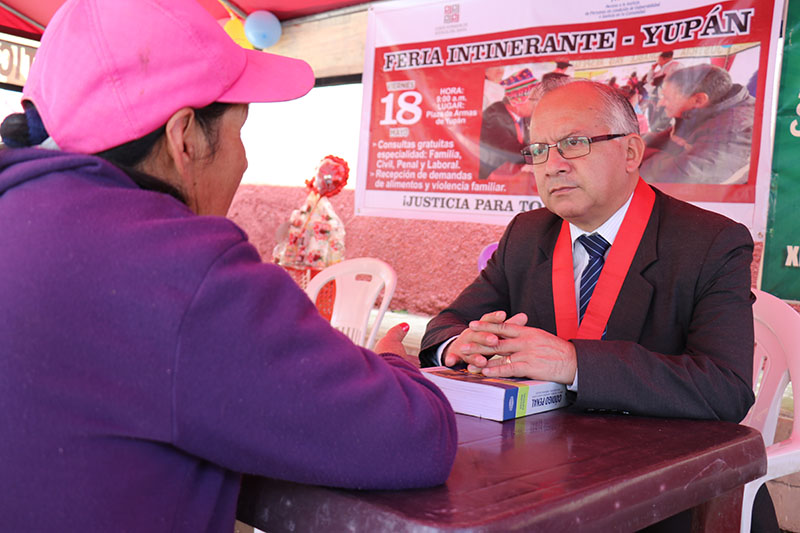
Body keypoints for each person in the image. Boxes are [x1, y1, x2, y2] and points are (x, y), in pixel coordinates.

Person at [0, 0, 457, 531]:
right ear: (185, 137)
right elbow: (418, 436)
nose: (243, 158)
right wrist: (392, 361)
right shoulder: (178, 271)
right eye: (240, 131)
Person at [420, 80, 777, 531]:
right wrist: (459, 344)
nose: (553, 165)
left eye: (574, 143)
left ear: (631, 152)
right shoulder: (527, 234)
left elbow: (726, 389)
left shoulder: (709, 243)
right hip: (539, 473)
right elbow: (446, 324)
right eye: (539, 150)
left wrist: (574, 363)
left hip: (666, 490)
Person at [641, 63, 755, 184]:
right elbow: (673, 136)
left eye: (667, 98)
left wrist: (643, 155)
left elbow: (680, 177)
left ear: (699, 100)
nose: (660, 103)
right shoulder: (707, 107)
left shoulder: (735, 129)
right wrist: (641, 142)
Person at [478, 68, 537, 180]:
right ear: (518, 101)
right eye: (534, 100)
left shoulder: (525, 116)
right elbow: (512, 153)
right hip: (493, 182)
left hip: (516, 177)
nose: (537, 104)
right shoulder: (493, 116)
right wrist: (544, 151)